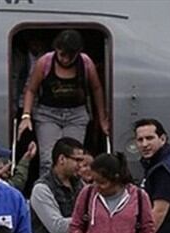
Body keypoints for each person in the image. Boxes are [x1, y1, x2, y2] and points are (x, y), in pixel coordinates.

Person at [18, 29, 109, 175]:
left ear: (78, 53)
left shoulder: (85, 63)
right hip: (48, 114)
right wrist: (26, 115)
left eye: (71, 56)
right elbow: (31, 90)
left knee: (74, 159)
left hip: (76, 115)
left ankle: (72, 193)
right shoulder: (45, 62)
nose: (65, 59)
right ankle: (47, 192)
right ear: (56, 49)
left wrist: (102, 118)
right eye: (62, 54)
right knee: (49, 159)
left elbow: (97, 89)